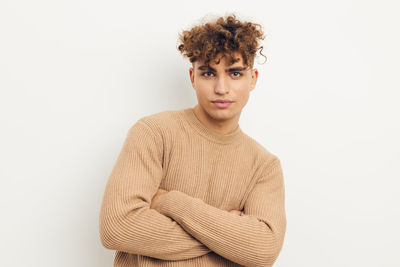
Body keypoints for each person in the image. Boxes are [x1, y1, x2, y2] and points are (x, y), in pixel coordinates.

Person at [99, 13, 286, 267]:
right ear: (192, 77)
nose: (221, 88)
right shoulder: (153, 133)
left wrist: (169, 202)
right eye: (209, 73)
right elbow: (117, 227)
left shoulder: (264, 165)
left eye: (234, 73)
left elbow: (262, 250)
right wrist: (229, 237)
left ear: (252, 79)